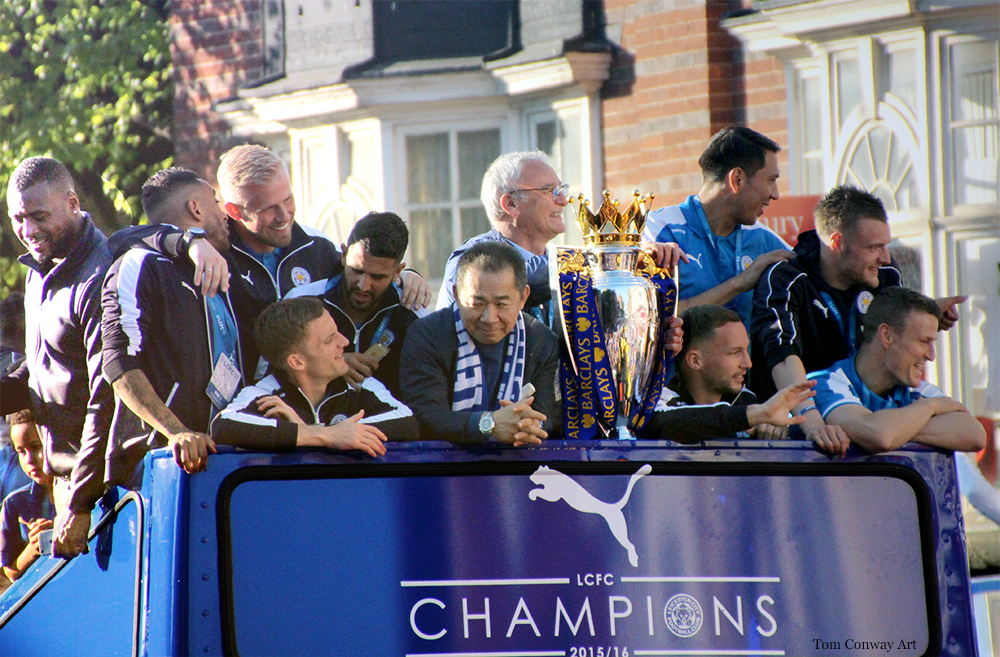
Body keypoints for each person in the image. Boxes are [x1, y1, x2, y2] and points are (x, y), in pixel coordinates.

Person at [750, 185, 965, 451]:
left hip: (865, 420)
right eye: (874, 247)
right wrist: (814, 425)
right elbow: (782, 355)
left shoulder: (885, 275)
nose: (885, 257)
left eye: (886, 245)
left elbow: (894, 332)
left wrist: (928, 313)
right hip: (806, 431)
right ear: (837, 242)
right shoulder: (787, 278)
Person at [217, 144, 431, 380]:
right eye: (269, 209)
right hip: (240, 400)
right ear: (235, 212)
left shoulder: (318, 246)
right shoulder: (214, 257)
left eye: (288, 199)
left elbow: (365, 271)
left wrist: (406, 277)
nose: (284, 215)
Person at [0, 157, 113, 558]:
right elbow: (47, 365)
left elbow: (108, 396)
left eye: (39, 216)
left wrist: (81, 503)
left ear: (73, 202)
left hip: (105, 494)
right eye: (18, 218)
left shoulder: (101, 276)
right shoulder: (40, 268)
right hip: (65, 484)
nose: (28, 231)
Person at [102, 168, 239, 484]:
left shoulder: (217, 267)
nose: (224, 215)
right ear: (197, 208)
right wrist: (177, 432)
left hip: (221, 463)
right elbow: (118, 364)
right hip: (158, 466)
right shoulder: (139, 264)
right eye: (216, 201)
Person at [435, 151, 687, 318]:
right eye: (549, 191)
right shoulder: (473, 258)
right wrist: (625, 256)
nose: (564, 200)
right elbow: (531, 274)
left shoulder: (564, 263)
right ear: (510, 204)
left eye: (561, 189)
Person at [213, 297, 418, 455]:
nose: (345, 342)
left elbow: (407, 422)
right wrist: (328, 436)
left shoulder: (358, 385)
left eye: (337, 332)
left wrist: (311, 432)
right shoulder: (263, 394)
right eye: (330, 339)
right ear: (297, 362)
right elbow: (224, 426)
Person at [402, 241, 557, 446]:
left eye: (501, 304)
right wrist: (489, 423)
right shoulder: (427, 335)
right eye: (477, 304)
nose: (489, 318)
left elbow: (548, 416)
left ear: (523, 297)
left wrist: (527, 426)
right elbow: (425, 417)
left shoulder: (540, 340)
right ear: (457, 295)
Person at [642, 126, 794, 326]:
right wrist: (738, 284)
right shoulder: (660, 231)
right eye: (771, 180)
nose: (775, 194)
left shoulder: (764, 240)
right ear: (737, 179)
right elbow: (649, 318)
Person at [809, 287, 986, 454]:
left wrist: (896, 428)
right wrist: (931, 407)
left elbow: (975, 435)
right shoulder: (823, 383)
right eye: (923, 342)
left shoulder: (917, 389)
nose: (931, 356)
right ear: (887, 336)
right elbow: (880, 436)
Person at [643, 305, 821, 447]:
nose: (748, 363)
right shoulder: (658, 402)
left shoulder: (745, 399)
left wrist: (775, 430)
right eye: (735, 353)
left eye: (746, 350)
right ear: (696, 361)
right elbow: (669, 424)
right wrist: (755, 415)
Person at [285, 212, 419, 396]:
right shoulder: (300, 302)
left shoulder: (414, 315)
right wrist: (330, 365)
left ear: (398, 271)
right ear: (343, 254)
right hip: (313, 422)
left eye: (377, 277)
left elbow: (424, 394)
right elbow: (270, 373)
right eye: (356, 270)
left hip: (385, 422)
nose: (363, 285)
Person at [1, 409, 56, 582]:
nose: (29, 460)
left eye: (35, 446)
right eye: (21, 451)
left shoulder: (83, 489)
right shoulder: (14, 504)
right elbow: (9, 571)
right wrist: (34, 547)